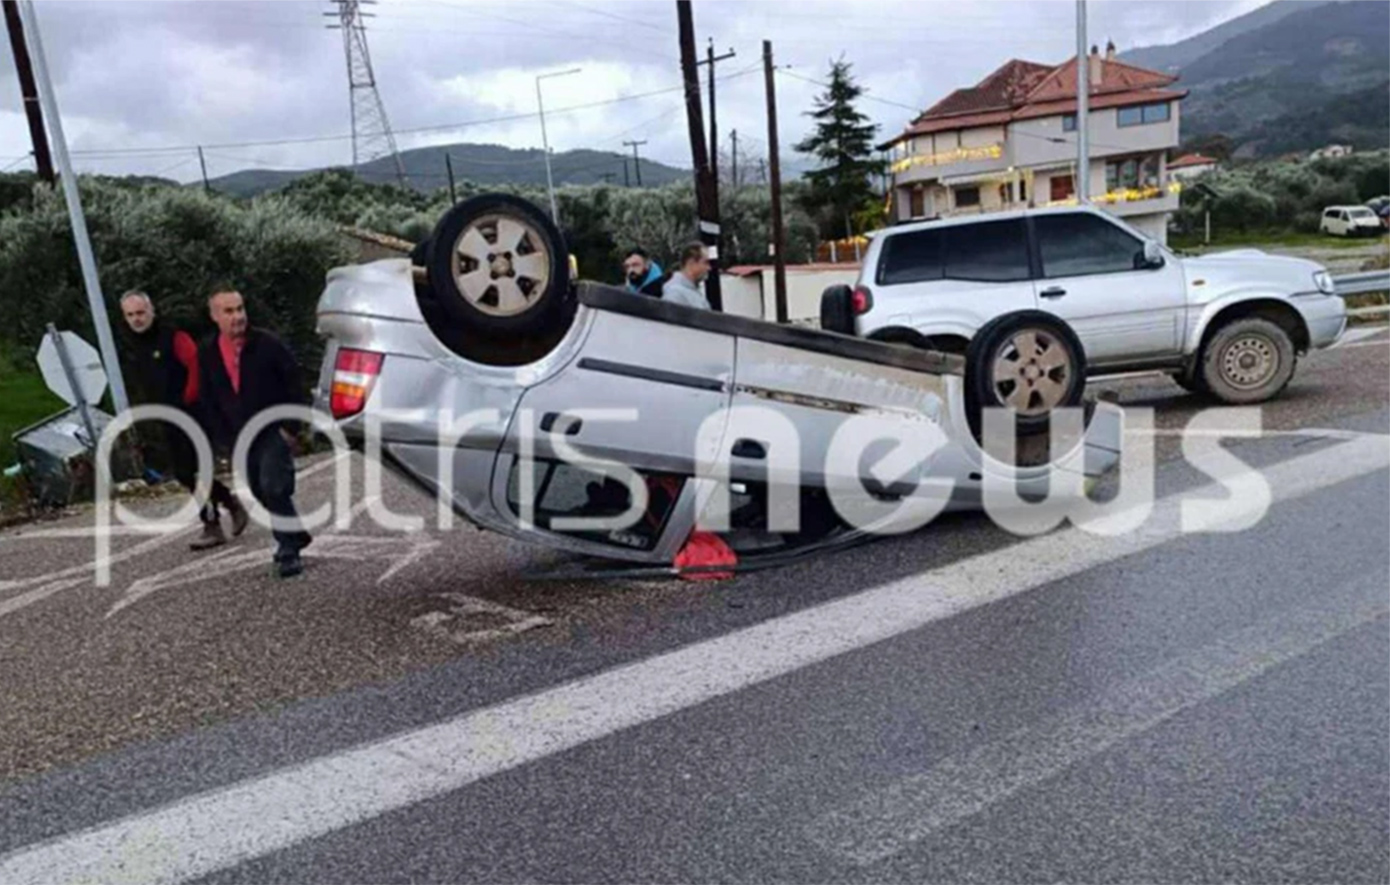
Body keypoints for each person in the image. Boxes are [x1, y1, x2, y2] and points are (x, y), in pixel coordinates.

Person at [197, 287, 312, 578]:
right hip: (239, 435)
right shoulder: (208, 352)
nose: (237, 316)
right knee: (259, 490)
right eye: (229, 311)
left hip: (273, 428)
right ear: (214, 316)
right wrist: (223, 438)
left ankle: (288, 550)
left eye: (239, 309)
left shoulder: (268, 344)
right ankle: (295, 533)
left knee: (275, 486)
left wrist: (291, 427)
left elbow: (294, 382)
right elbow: (208, 397)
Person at [118, 290, 245, 551]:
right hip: (166, 417)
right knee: (184, 473)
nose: (136, 319)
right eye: (130, 315)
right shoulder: (131, 345)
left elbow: (195, 365)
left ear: (151, 311)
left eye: (140, 313)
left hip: (193, 413)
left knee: (196, 469)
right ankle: (228, 503)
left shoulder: (172, 337)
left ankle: (212, 524)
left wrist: (189, 397)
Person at [661, 242, 712, 310]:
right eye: (705, 262)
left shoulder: (692, 291)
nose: (709, 268)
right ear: (691, 263)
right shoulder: (675, 294)